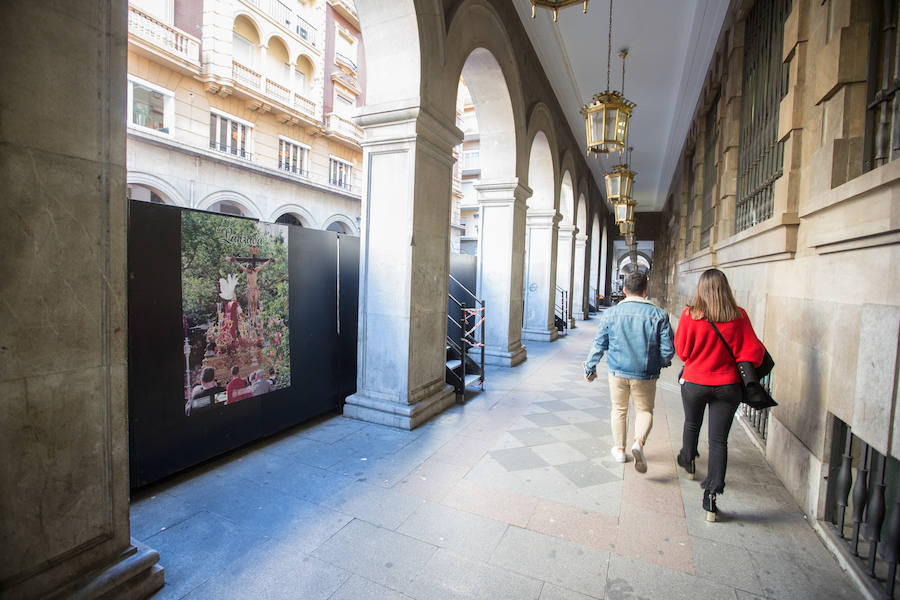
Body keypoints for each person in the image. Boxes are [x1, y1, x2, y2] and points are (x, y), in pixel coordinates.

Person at [674, 268, 765, 522]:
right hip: (728, 386)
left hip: (695, 382)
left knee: (692, 423)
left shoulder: (690, 315)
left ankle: (689, 461)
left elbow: (681, 351)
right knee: (718, 442)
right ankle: (711, 498)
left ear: (701, 289)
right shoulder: (739, 316)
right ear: (725, 288)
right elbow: (753, 353)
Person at [584, 271, 675, 473]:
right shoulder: (659, 315)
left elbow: (599, 344)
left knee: (618, 409)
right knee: (644, 410)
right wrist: (655, 363)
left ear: (624, 290)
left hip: (617, 371)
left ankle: (619, 450)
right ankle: (639, 443)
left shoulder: (611, 314)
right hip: (645, 374)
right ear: (645, 290)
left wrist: (590, 367)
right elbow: (668, 352)